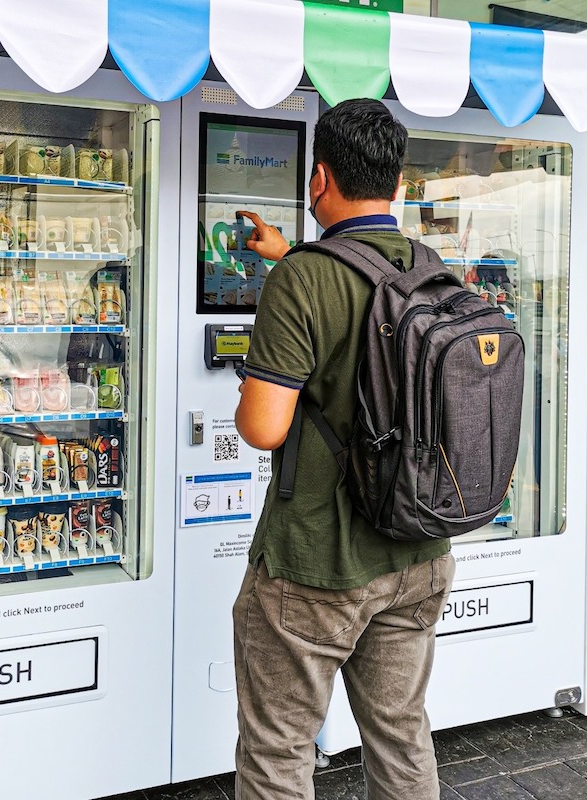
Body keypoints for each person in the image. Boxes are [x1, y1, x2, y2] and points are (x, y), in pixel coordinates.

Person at [233, 98, 456, 800]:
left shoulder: (300, 280)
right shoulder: (430, 266)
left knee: (278, 749)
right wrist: (287, 252)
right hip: (419, 552)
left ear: (318, 180)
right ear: (397, 185)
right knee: (401, 735)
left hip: (317, 563)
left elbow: (264, 427)